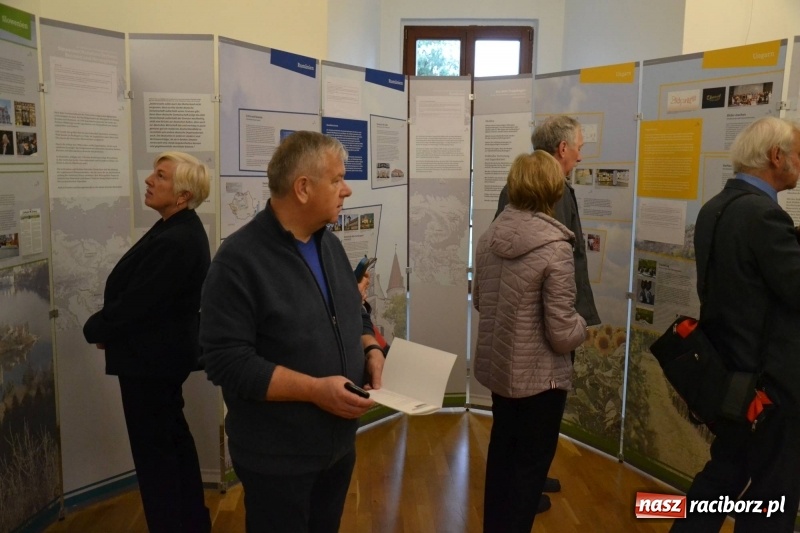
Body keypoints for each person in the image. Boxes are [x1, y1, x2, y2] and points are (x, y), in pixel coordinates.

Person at [199, 131, 385, 533]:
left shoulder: (329, 246)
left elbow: (354, 312)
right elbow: (225, 363)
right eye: (336, 179)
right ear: (303, 188)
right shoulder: (238, 261)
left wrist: (369, 346)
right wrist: (316, 391)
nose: (346, 190)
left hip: (337, 449)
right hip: (277, 460)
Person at [671, 116, 800, 532]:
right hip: (770, 386)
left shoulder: (716, 208)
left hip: (729, 378)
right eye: (798, 154)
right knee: (772, 499)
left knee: (721, 478)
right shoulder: (763, 217)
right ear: (776, 156)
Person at [83, 152, 212, 533]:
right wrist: (115, 331)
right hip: (154, 360)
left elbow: (140, 303)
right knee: (170, 445)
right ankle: (188, 523)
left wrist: (98, 329)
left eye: (160, 176)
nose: (149, 181)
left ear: (183, 195)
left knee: (158, 456)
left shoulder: (178, 238)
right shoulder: (176, 229)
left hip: (150, 365)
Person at [475, 150, 587, 533]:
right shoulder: (556, 247)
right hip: (541, 380)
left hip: (501, 374)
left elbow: (480, 302)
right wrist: (583, 327)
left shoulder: (488, 236)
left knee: (502, 456)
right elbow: (561, 334)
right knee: (529, 470)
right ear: (554, 191)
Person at [495, 114, 601, 509]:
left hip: (535, 325)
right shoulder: (547, 190)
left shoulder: (523, 185)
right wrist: (573, 323)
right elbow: (560, 262)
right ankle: (526, 485)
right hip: (544, 328)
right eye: (579, 146)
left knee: (524, 423)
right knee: (534, 421)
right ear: (561, 149)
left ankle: (531, 477)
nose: (580, 153)